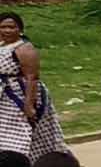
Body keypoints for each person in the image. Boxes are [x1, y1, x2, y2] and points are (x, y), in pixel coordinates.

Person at [0, 12, 61, 157]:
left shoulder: (24, 49)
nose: (7, 30)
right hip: (4, 100)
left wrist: (29, 105)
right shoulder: (2, 46)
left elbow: (32, 78)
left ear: (20, 29)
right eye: (3, 27)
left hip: (20, 96)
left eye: (11, 27)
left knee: (23, 132)